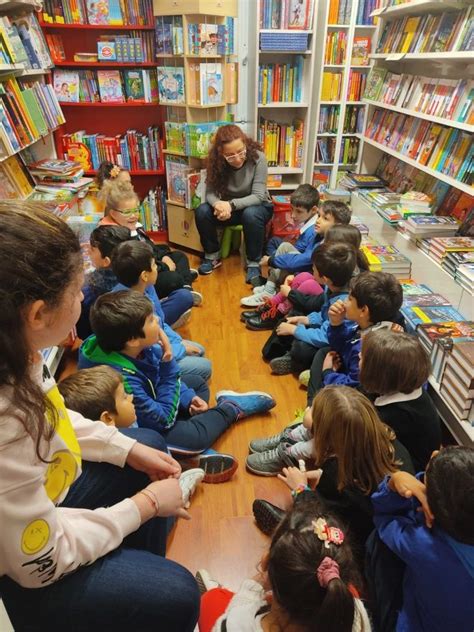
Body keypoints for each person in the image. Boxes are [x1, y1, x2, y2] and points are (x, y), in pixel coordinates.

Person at [0, 202, 200, 631]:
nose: (83, 299)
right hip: (26, 568)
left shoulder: (19, 353)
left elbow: (52, 417)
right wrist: (143, 508)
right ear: (37, 314)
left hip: (37, 510)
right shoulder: (6, 425)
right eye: (77, 292)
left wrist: (123, 447)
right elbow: (40, 562)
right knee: (177, 594)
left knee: (146, 445)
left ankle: (131, 578)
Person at [80, 290, 276, 454]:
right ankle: (231, 408)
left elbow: (157, 381)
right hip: (140, 430)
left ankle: (186, 448)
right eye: (150, 320)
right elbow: (162, 420)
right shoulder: (119, 378)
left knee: (196, 383)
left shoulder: (130, 345)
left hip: (152, 407)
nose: (157, 319)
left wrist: (188, 398)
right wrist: (168, 361)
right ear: (133, 340)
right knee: (195, 439)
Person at [249, 387, 414, 561]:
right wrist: (321, 475)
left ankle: (289, 529)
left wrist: (300, 489)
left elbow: (322, 518)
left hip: (355, 552)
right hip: (384, 539)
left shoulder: (335, 474)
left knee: (307, 528)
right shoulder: (393, 444)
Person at [197, 500, 372, 632]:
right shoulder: (356, 614)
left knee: (211, 599)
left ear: (265, 562)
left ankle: (216, 590)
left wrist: (251, 588)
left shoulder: (237, 623)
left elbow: (233, 618)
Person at [58, 365, 206, 505]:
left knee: (197, 384)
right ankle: (178, 491)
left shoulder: (126, 422)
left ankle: (182, 465)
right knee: (157, 440)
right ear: (108, 418)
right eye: (124, 397)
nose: (132, 397)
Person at [368, 447, 474, 632]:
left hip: (417, 623)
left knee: (375, 541)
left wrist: (393, 482)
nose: (434, 452)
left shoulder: (424, 545)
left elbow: (384, 519)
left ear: (432, 509)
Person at [111, 240, 212, 382]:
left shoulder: (147, 287)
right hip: (148, 362)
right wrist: (180, 349)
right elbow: (149, 350)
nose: (157, 268)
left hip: (159, 343)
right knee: (205, 365)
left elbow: (160, 322)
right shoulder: (129, 308)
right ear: (144, 275)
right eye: (154, 265)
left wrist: (177, 343)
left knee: (198, 350)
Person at [243, 223, 368, 331]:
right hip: (322, 296)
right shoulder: (339, 262)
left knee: (307, 283)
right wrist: (294, 278)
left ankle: (278, 313)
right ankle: (271, 306)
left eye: (327, 242)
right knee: (302, 276)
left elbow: (322, 294)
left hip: (323, 305)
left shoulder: (346, 274)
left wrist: (291, 293)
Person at [306, 271, 404, 403]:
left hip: (353, 398)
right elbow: (340, 345)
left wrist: (328, 373)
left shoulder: (366, 351)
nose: (344, 302)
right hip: (346, 369)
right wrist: (336, 324)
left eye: (349, 299)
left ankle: (312, 408)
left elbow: (353, 389)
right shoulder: (367, 325)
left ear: (363, 310)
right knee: (324, 352)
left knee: (319, 357)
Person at [195, 124, 274, 282]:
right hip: (229, 209)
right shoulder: (215, 163)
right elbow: (210, 193)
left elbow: (258, 196)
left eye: (241, 152)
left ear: (245, 144)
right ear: (220, 154)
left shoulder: (258, 158)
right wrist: (218, 205)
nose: (237, 159)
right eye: (230, 156)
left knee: (250, 214)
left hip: (258, 207)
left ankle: (253, 263)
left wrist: (229, 205)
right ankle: (212, 255)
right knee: (202, 211)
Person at [100, 180, 200, 305]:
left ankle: (186, 286)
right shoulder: (118, 237)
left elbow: (149, 246)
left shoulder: (134, 226)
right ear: (113, 213)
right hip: (145, 277)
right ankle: (182, 280)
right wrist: (165, 266)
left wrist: (164, 257)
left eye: (136, 210)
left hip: (154, 264)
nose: (134, 215)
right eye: (127, 212)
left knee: (180, 256)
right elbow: (140, 265)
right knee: (173, 279)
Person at [267, 242, 357, 375]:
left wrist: (295, 330)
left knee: (302, 348)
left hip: (335, 344)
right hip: (325, 330)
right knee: (290, 319)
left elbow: (325, 337)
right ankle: (282, 353)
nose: (312, 271)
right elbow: (323, 314)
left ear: (325, 279)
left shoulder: (343, 304)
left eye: (313, 269)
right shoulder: (333, 287)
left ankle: (294, 361)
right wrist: (306, 319)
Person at [360, 329, 441, 472]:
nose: (358, 355)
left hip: (401, 473)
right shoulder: (406, 389)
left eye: (363, 357)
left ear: (379, 374)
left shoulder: (391, 416)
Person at [240, 184, 322, 306]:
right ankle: (272, 282)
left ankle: (269, 289)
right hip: (301, 261)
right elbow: (299, 248)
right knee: (276, 243)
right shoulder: (309, 224)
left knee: (283, 248)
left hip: (306, 272)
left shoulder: (314, 230)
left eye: (298, 211)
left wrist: (273, 260)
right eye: (292, 209)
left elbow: (304, 259)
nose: (293, 215)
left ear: (314, 210)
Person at [76, 225, 131, 340]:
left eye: (92, 250)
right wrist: (94, 248)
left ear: (106, 261)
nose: (88, 252)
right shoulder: (132, 272)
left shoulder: (91, 291)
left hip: (94, 337)